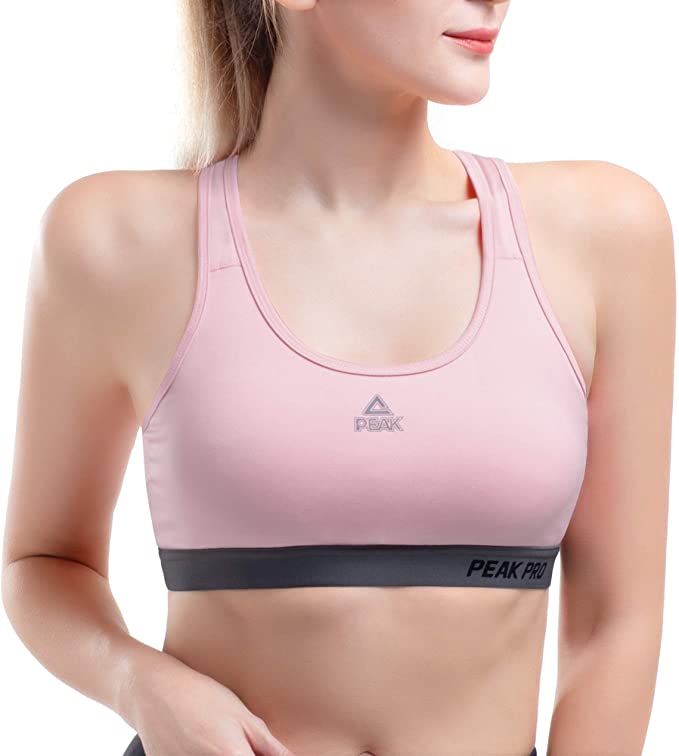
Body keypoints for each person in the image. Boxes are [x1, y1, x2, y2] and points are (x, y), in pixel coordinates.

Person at [1, 1, 674, 755]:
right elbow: (41, 564)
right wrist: (139, 684)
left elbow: (618, 622)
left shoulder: (607, 234)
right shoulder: (113, 239)